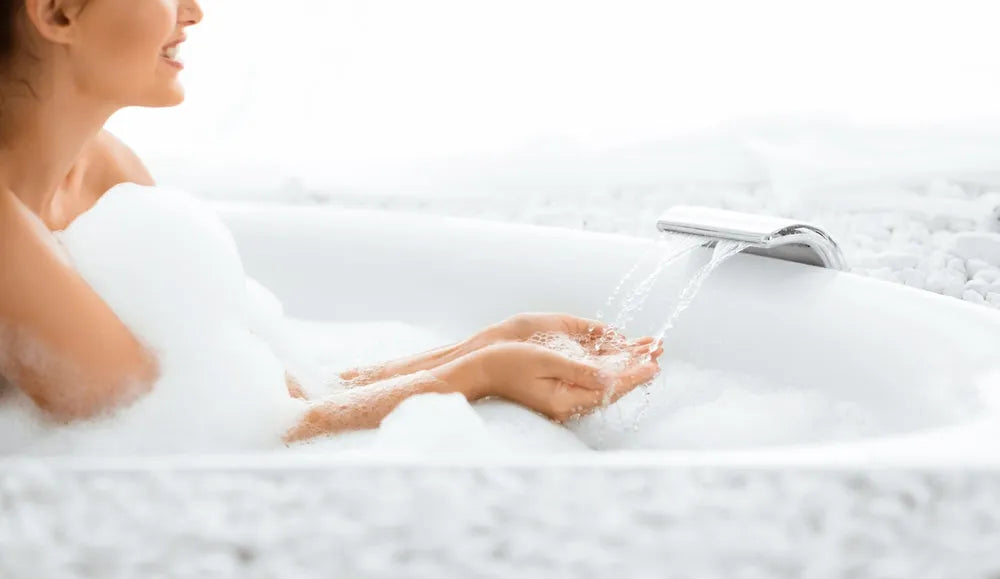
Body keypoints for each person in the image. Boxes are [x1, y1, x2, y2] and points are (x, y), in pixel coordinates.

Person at [0, 0, 663, 444]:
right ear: (57, 11)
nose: (195, 11)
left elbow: (256, 394)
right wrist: (482, 375)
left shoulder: (107, 174)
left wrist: (484, 344)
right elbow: (179, 439)